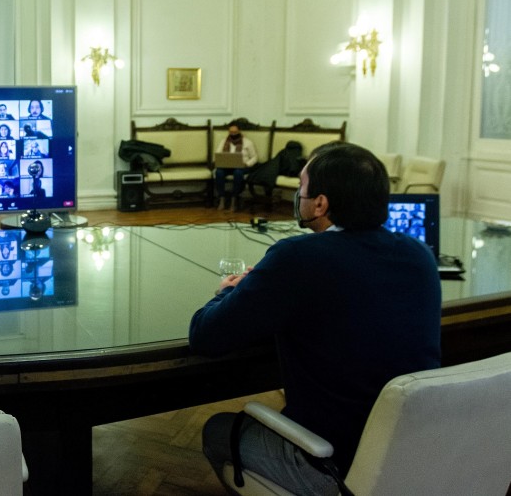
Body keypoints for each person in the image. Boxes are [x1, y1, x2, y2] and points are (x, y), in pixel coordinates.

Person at [189, 143, 441, 495]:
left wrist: (228, 291)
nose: (298, 196)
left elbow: (206, 335)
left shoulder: (297, 257)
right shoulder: (420, 255)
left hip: (333, 466)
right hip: (413, 451)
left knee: (217, 430)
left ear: (320, 204)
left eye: (301, 189)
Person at [214, 121, 258, 211]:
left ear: (239, 131)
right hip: (227, 166)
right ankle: (222, 199)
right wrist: (218, 160)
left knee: (238, 173)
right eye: (231, 132)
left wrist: (247, 164)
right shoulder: (224, 141)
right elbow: (217, 153)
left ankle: (234, 200)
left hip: (242, 167)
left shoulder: (247, 142)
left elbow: (255, 157)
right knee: (219, 172)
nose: (233, 134)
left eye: (235, 132)